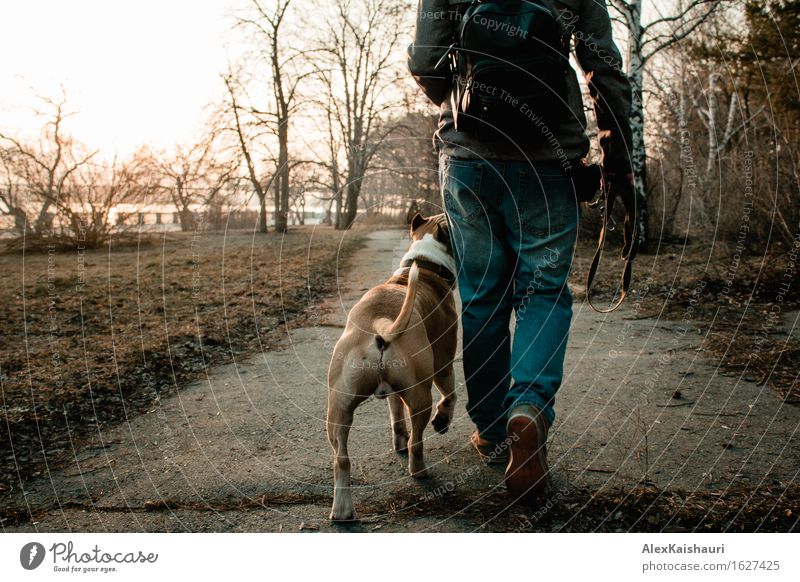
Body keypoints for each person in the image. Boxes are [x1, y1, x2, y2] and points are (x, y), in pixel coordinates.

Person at [408, 0, 635, 503]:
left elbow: (425, 61)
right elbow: (604, 68)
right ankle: (528, 409)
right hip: (549, 158)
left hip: (469, 158)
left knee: (483, 294)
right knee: (543, 293)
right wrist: (618, 159)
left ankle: (492, 428)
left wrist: (466, 99)